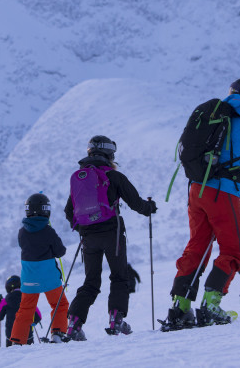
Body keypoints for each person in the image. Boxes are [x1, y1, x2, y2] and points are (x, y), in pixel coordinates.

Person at [163, 78, 240, 330]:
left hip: (196, 190)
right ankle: (210, 306)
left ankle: (180, 309)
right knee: (235, 248)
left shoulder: (216, 118)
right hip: (221, 193)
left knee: (197, 247)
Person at [64, 135, 157, 340]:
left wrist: (83, 229)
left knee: (91, 282)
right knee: (119, 276)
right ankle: (116, 319)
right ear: (110, 154)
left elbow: (69, 211)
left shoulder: (80, 177)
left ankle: (74, 323)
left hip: (89, 238)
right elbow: (137, 204)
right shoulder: (115, 176)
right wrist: (150, 207)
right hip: (112, 235)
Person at [10, 193, 70, 344]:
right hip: (49, 277)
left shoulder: (22, 232)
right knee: (60, 305)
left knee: (25, 310)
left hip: (29, 278)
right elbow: (60, 251)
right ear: (45, 210)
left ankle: (17, 340)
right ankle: (57, 334)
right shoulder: (48, 231)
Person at [0, 275, 42, 347]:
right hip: (27, 336)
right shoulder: (27, 299)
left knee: (13, 357)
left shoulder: (5, 301)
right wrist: (32, 323)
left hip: (11, 337)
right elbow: (38, 316)